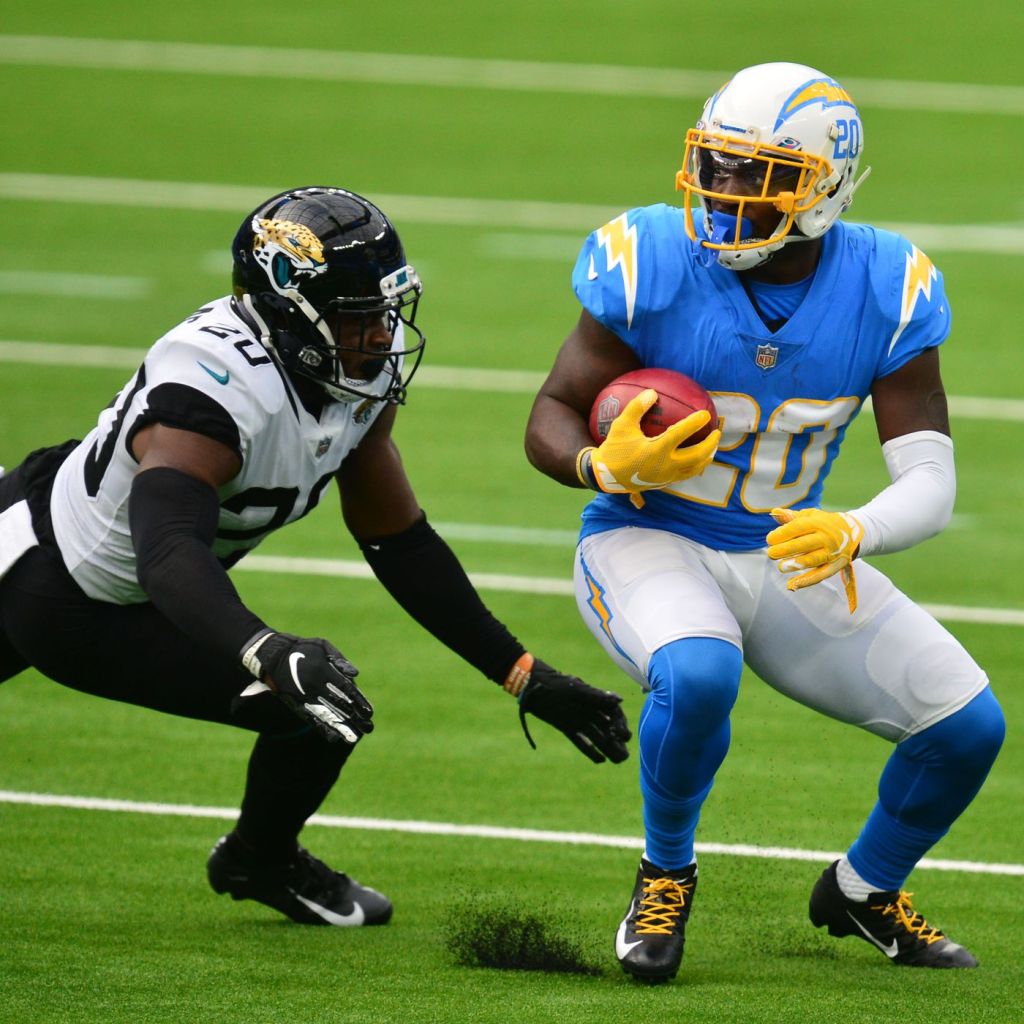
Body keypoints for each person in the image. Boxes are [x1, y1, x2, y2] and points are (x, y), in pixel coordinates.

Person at [0, 185, 631, 928]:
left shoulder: (351, 371)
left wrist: (522, 673)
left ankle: (256, 858)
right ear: (288, 313)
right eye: (358, 317)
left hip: (90, 555)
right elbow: (166, 551)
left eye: (386, 311)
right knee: (312, 703)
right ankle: (260, 859)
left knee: (322, 709)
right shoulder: (211, 388)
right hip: (67, 593)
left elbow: (398, 541)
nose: (383, 335)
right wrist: (265, 650)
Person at [524, 63, 1005, 981]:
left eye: (758, 173)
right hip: (647, 537)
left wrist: (854, 530)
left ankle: (863, 889)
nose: (724, 189)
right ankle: (666, 873)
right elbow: (550, 412)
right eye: (717, 163)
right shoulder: (651, 256)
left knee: (966, 727)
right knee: (698, 673)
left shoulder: (890, 283)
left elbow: (930, 482)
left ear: (824, 188)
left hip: (785, 548)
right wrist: (599, 465)